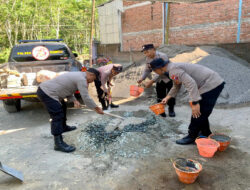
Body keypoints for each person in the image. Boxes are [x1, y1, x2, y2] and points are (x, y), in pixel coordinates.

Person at [150, 58, 225, 145]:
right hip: (208, 83)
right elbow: (176, 85)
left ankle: (192, 136)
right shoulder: (171, 70)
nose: (155, 73)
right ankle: (206, 133)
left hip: (211, 85)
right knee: (201, 112)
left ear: (159, 68)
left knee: (198, 112)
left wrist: (195, 102)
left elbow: (191, 83)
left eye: (154, 71)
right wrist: (167, 97)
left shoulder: (173, 70)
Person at [37, 68, 104, 153]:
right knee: (57, 115)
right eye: (93, 79)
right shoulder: (82, 79)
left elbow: (68, 88)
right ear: (91, 75)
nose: (92, 81)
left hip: (51, 91)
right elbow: (85, 97)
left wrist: (74, 100)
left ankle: (64, 127)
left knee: (63, 107)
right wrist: (96, 108)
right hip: (47, 92)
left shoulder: (78, 75)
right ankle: (58, 143)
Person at [137, 44, 175, 117]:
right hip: (159, 80)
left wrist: (151, 81)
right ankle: (161, 111)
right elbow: (147, 70)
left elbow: (161, 71)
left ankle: (171, 110)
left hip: (169, 78)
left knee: (170, 95)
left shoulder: (163, 56)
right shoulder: (148, 59)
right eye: (145, 53)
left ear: (153, 49)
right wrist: (142, 78)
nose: (146, 54)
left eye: (147, 52)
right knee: (160, 95)